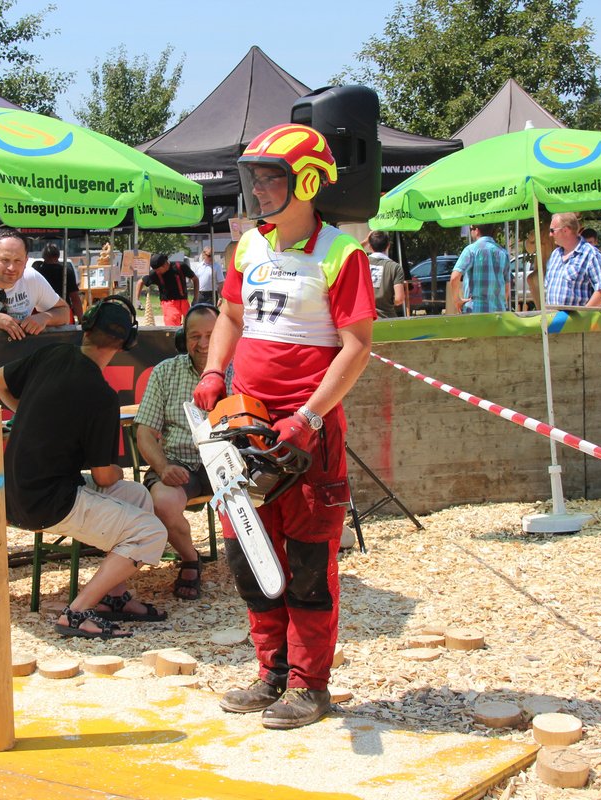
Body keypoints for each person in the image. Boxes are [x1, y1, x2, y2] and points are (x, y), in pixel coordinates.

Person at [193, 123, 375, 730]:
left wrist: (309, 416)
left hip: (307, 433)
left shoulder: (342, 254)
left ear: (308, 182)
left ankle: (309, 684)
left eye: (272, 178)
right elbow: (231, 316)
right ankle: (270, 673)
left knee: (307, 560)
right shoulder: (248, 247)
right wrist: (215, 370)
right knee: (249, 552)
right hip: (245, 424)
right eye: (256, 178)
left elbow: (356, 347)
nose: (260, 189)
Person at [0, 295, 168, 639]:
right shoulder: (101, 395)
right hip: (48, 503)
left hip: (15, 493)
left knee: (138, 498)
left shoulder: (53, 354)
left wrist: (27, 412)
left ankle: (113, 596)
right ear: (125, 344)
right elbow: (104, 476)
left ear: (87, 328)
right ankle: (77, 612)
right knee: (151, 532)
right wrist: (116, 470)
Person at [134, 303, 225, 601]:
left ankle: (263, 560)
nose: (203, 343)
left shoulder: (240, 369)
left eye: (211, 335)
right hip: (180, 461)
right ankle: (190, 558)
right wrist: (162, 467)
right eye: (195, 336)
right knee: (162, 502)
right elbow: (145, 433)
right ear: (183, 339)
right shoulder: (165, 372)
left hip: (228, 461)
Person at [544, 212, 601, 308]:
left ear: (565, 230)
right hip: (552, 316)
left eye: (552, 230)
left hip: (576, 317)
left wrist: (585, 314)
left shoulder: (590, 254)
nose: (550, 234)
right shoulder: (555, 254)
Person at [451, 223, 510, 314]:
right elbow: (507, 287)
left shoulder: (470, 250)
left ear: (477, 230)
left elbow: (454, 278)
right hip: (498, 314)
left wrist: (457, 300)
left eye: (471, 229)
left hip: (475, 312)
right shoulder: (503, 253)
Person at [135, 253, 197, 326]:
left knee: (190, 326)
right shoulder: (155, 273)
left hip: (184, 302)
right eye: (155, 270)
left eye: (158, 270)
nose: (157, 272)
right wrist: (137, 300)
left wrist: (195, 298)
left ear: (164, 264)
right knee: (172, 328)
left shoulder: (180, 266)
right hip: (169, 304)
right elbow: (140, 282)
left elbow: (195, 279)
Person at [33, 243, 84, 324]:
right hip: (63, 314)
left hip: (41, 316)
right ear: (58, 256)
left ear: (44, 256)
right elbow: (75, 298)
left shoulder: (37, 273)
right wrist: (81, 319)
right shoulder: (66, 272)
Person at [366, 230, 405, 320]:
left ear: (370, 246)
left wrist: (365, 241)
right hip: (386, 318)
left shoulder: (362, 262)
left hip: (365, 319)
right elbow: (399, 299)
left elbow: (350, 252)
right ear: (388, 245)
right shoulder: (395, 267)